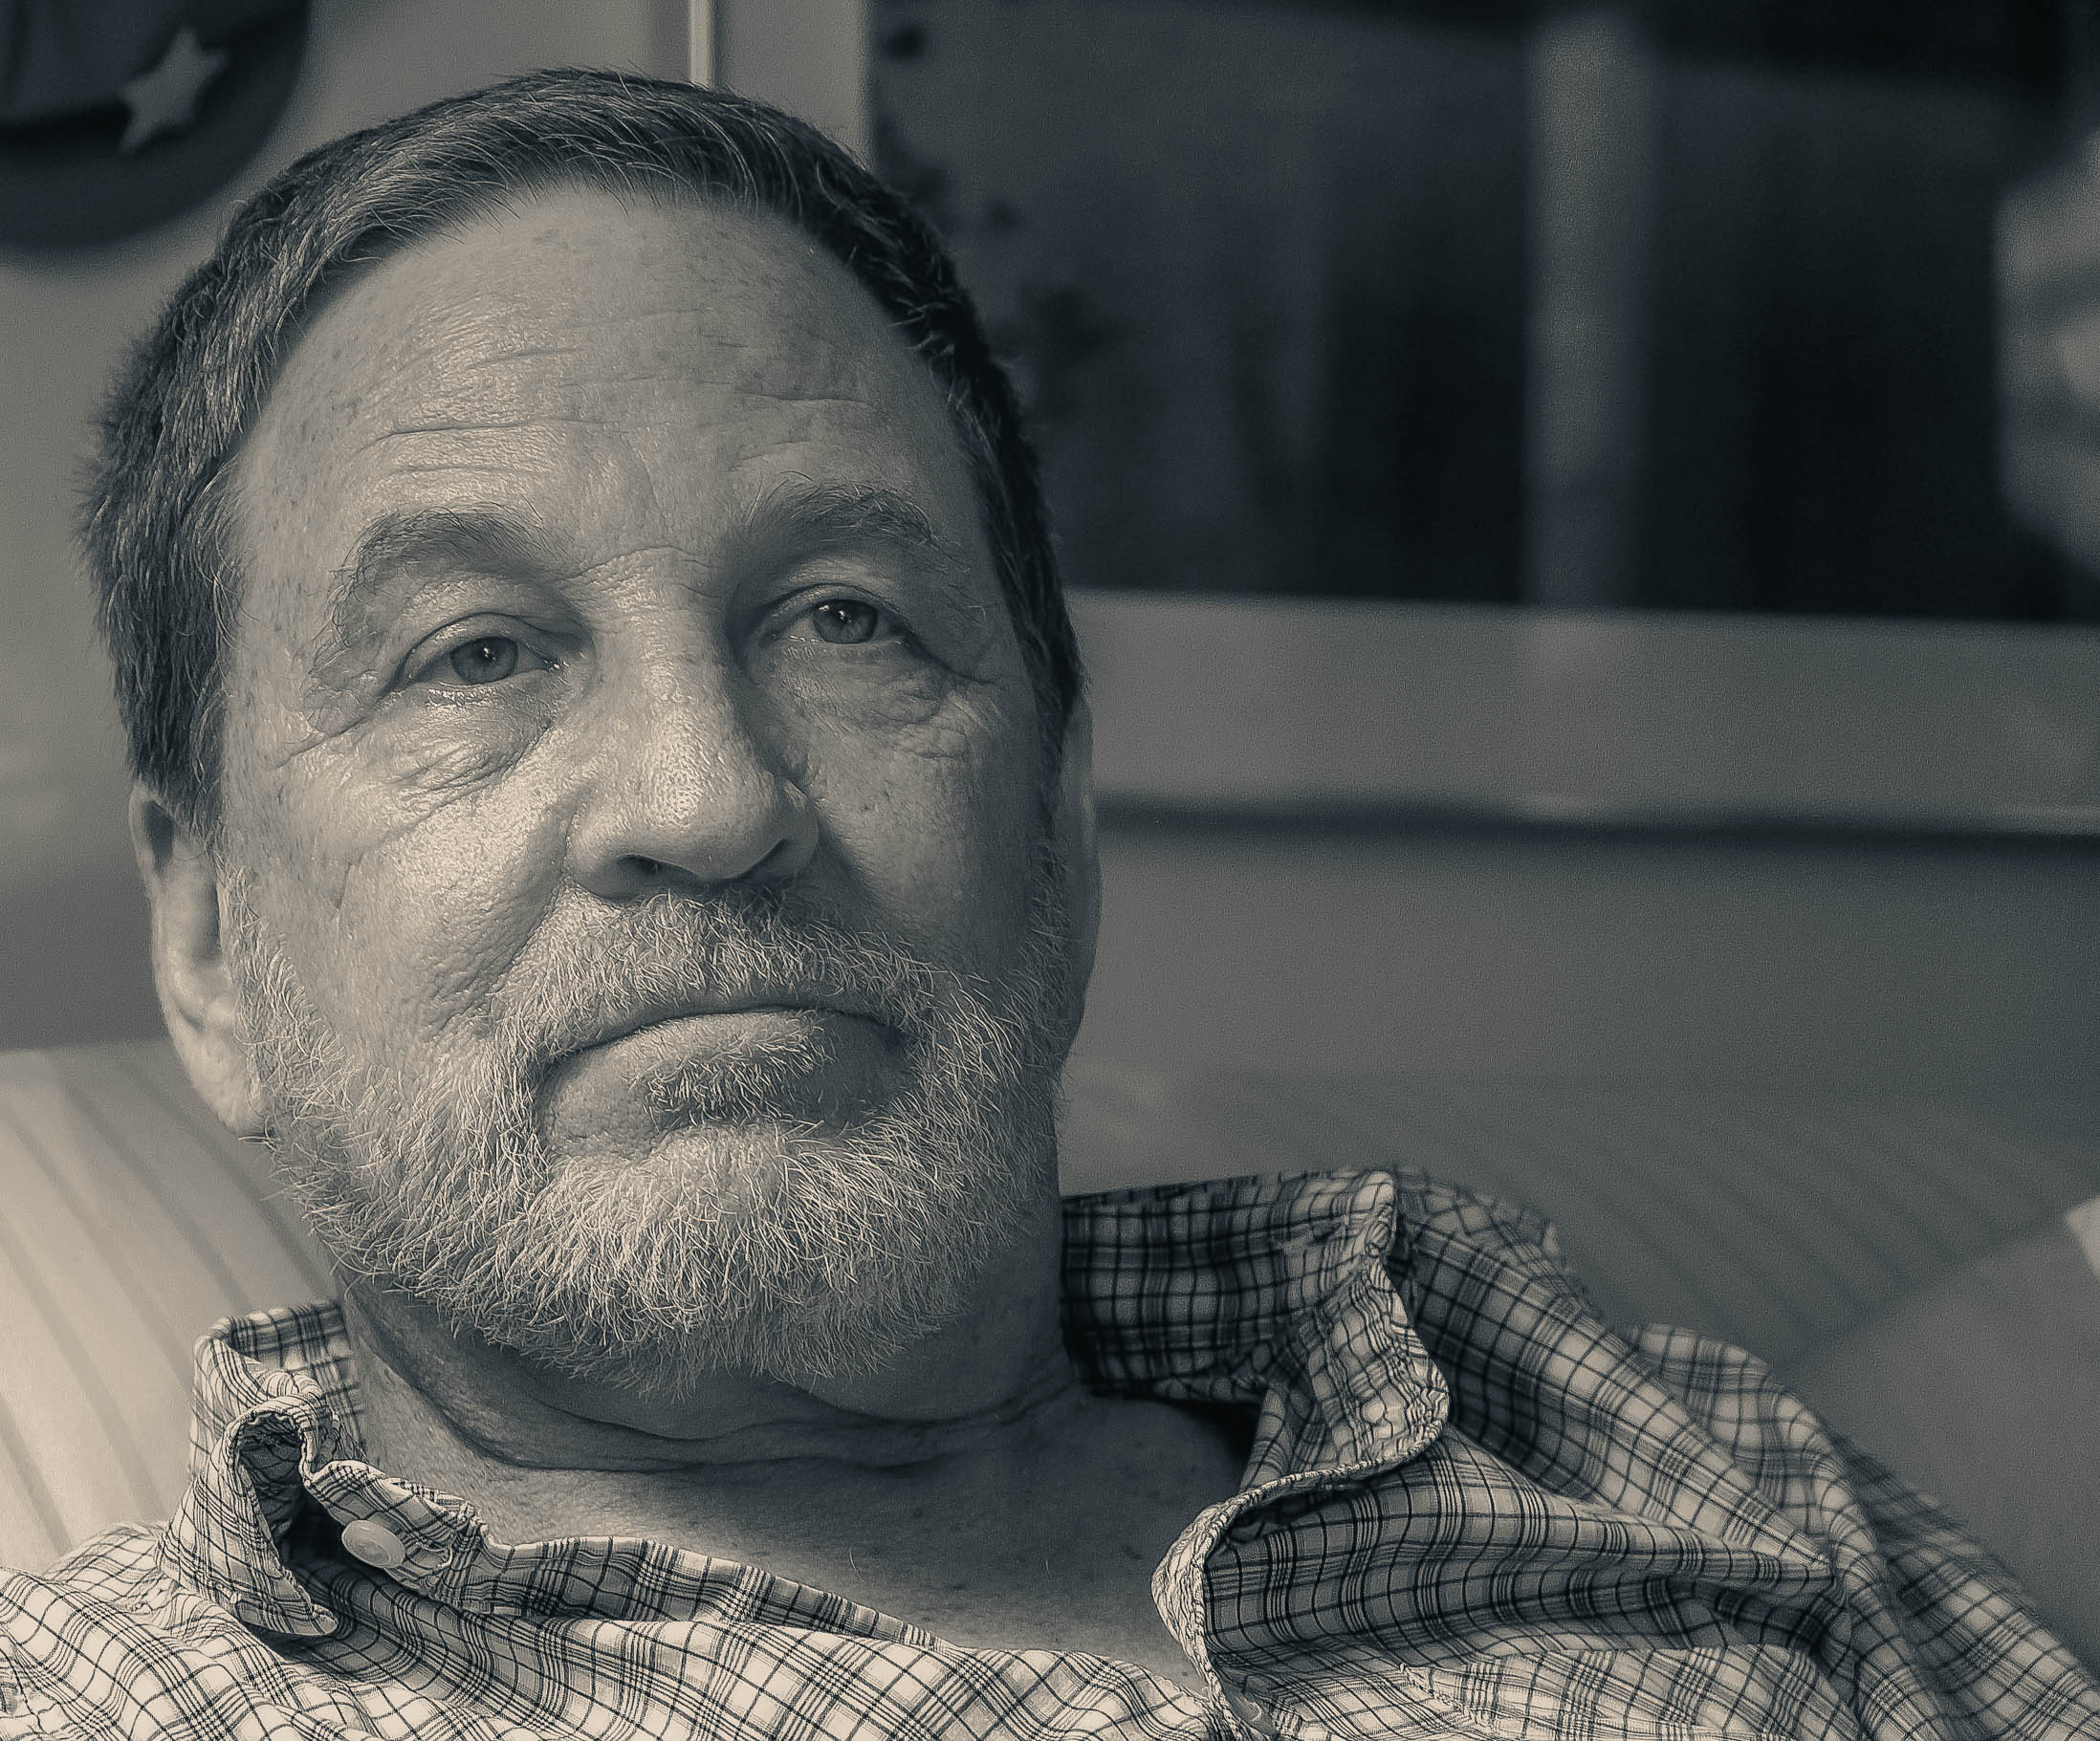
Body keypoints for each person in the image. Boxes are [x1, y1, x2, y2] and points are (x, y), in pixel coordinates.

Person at [2, 67, 2093, 1740]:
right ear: (211, 946)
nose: (709, 798)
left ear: (1062, 820)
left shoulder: (1608, 1427)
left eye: (845, 617)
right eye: (473, 653)